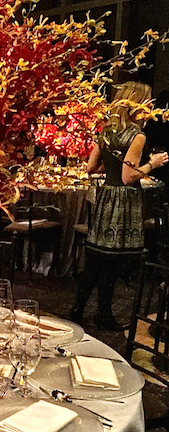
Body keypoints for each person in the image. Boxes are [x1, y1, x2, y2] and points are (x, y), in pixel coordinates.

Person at [71, 81, 169, 331]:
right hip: (123, 203)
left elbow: (91, 168)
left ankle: (78, 309)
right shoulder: (137, 135)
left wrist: (113, 166)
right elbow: (129, 177)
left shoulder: (106, 131)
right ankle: (103, 313)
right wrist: (152, 164)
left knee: (96, 259)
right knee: (112, 263)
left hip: (106, 198)